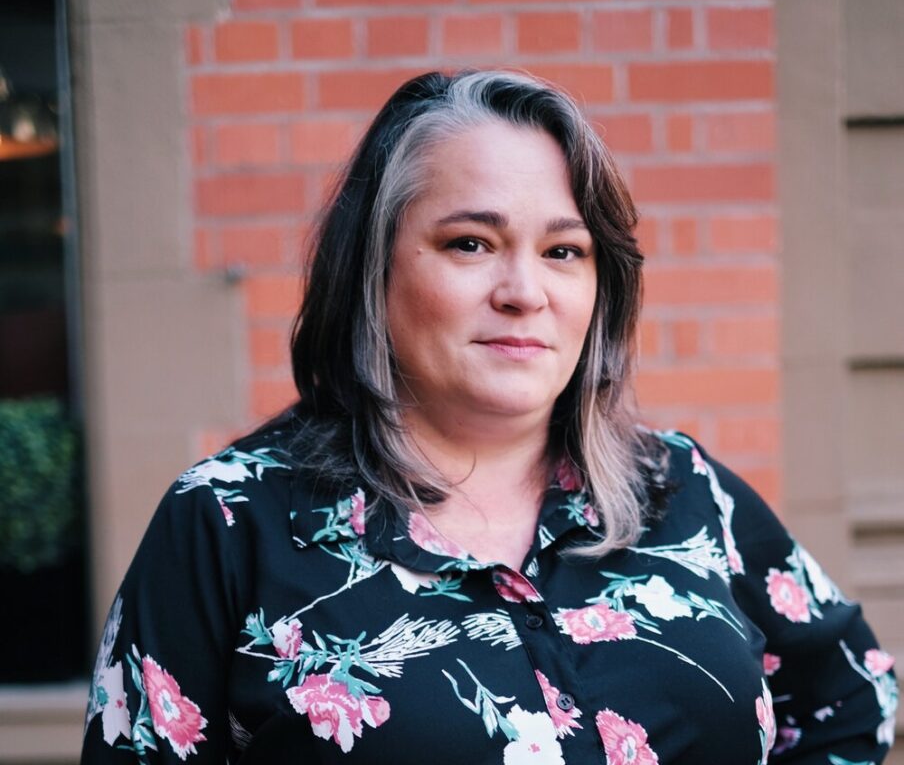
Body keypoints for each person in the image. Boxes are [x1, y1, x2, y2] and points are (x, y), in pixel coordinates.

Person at [81, 70, 897, 764]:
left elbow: (853, 696)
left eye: (563, 251)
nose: (524, 291)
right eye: (470, 243)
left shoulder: (681, 489)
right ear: (373, 268)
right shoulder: (228, 521)